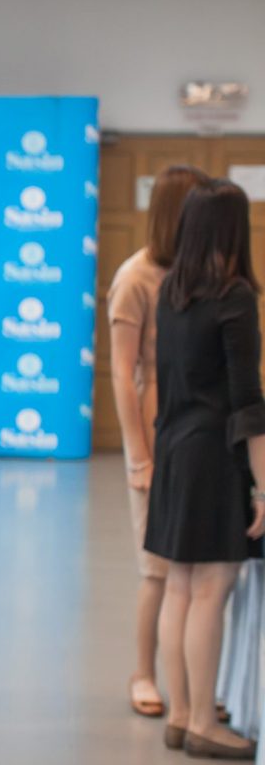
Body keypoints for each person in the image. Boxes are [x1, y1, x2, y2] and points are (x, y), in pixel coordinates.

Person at [147, 176, 265, 760]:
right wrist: (263, 488)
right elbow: (248, 402)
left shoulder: (171, 290)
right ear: (233, 229)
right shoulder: (234, 296)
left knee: (180, 586)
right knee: (212, 590)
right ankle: (202, 723)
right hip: (215, 457)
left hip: (173, 449)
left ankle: (180, 715)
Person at [106, 165, 209, 718]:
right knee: (158, 569)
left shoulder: (200, 273)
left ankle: (196, 682)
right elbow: (123, 373)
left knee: (199, 570)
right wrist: (138, 456)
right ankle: (144, 674)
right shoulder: (135, 277)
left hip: (196, 436)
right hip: (154, 437)